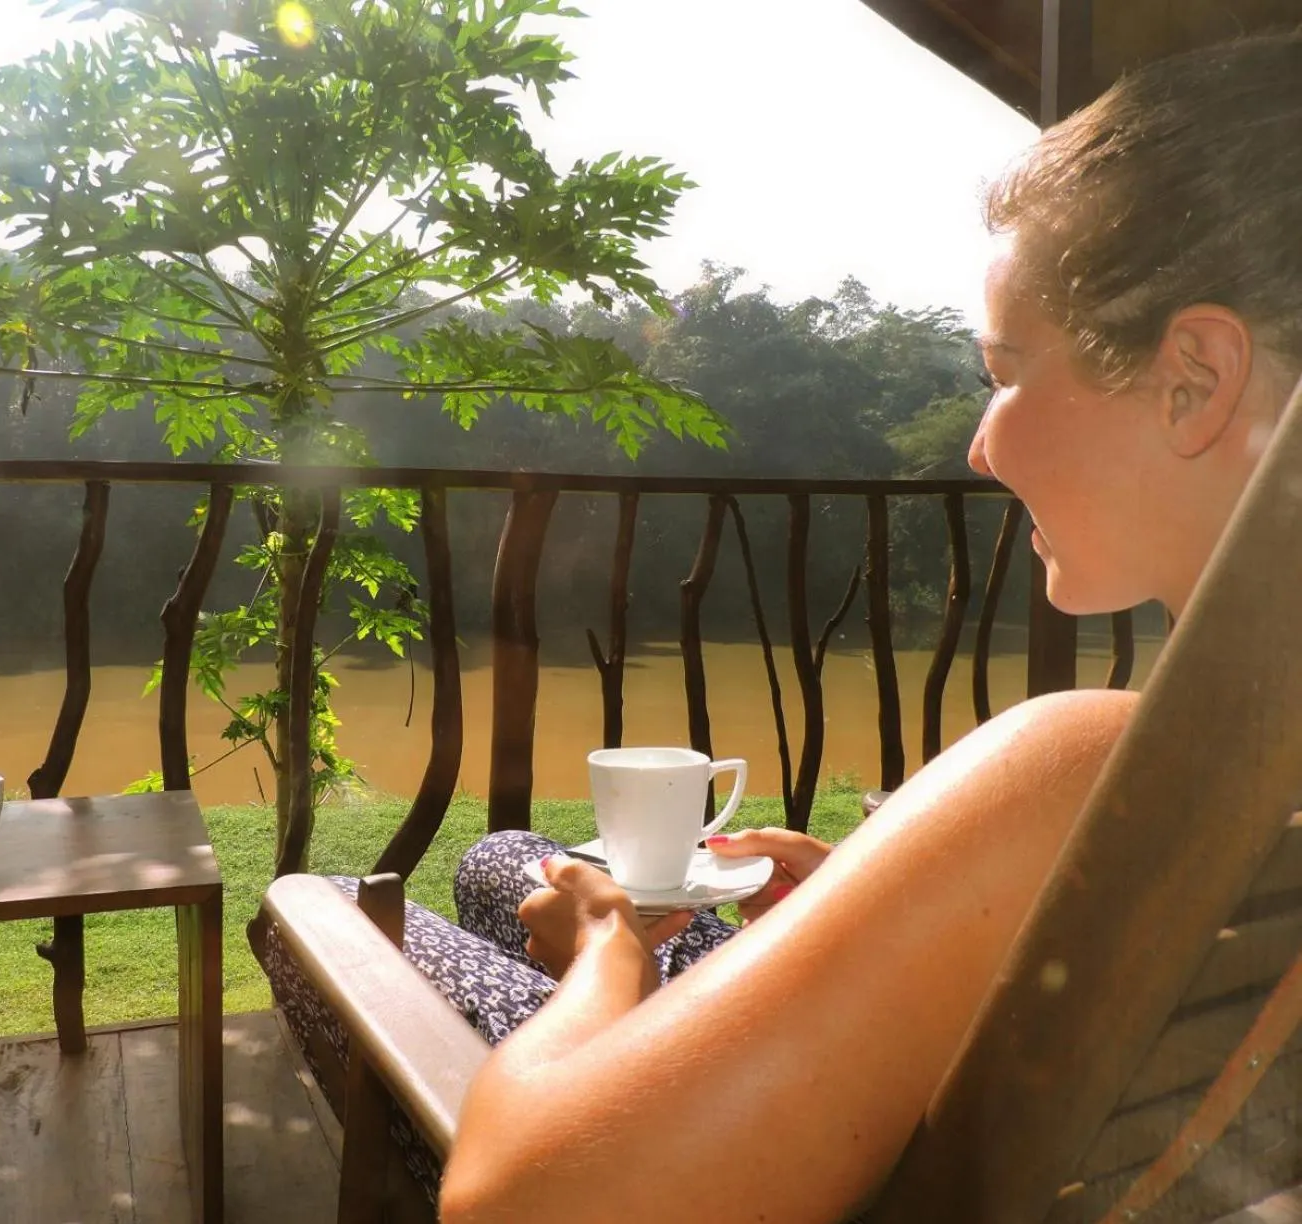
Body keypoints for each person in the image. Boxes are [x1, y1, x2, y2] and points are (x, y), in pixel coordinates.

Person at [434, 30, 1302, 1223]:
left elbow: (520, 1203)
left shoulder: (1099, 774)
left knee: (434, 896)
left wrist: (605, 957)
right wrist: (907, 898)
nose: (980, 443)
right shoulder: (1251, 779)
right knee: (504, 863)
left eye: (1005, 370)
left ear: (1193, 379)